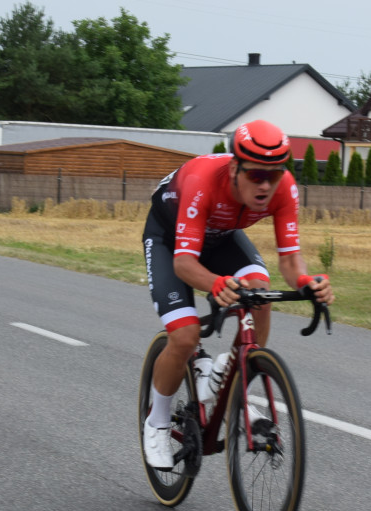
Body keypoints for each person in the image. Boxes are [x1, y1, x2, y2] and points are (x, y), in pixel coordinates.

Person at [141, 120, 334, 470]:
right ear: (234, 168)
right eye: (256, 175)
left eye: (274, 175)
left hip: (221, 236)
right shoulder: (203, 181)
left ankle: (230, 376)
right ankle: (156, 422)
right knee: (184, 338)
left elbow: (290, 259)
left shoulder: (284, 188)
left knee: (259, 294)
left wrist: (307, 281)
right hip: (170, 241)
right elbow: (185, 263)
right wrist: (215, 283)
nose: (265, 184)